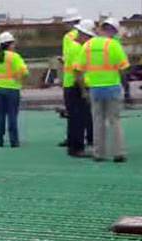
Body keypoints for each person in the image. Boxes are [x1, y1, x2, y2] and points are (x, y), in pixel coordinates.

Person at [75, 18, 130, 162]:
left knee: (98, 121)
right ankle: (118, 152)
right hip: (112, 87)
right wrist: (124, 86)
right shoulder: (113, 45)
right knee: (115, 121)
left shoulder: (87, 45)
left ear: (100, 29)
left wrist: (84, 90)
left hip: (95, 89)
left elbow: (78, 70)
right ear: (112, 31)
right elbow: (124, 67)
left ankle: (99, 153)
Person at [63, 19, 96, 158]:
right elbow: (79, 71)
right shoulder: (79, 48)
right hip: (76, 85)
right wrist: (84, 90)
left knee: (74, 118)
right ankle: (77, 148)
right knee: (79, 118)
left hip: (69, 84)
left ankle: (73, 146)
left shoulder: (71, 46)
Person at [58, 8, 82, 147]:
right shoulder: (87, 36)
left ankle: (73, 140)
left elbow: (67, 58)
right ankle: (89, 137)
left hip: (70, 80)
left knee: (72, 113)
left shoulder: (68, 37)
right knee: (84, 111)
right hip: (85, 79)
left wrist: (62, 60)